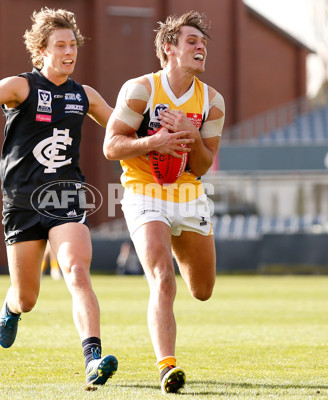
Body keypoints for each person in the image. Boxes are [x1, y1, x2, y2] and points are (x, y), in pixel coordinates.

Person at [0, 8, 118, 386]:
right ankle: (10, 307)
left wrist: (160, 129)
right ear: (41, 50)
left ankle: (93, 358)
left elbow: (121, 125)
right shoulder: (20, 87)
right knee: (27, 297)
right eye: (61, 45)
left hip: (65, 198)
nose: (69, 52)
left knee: (76, 270)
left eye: (73, 45)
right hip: (21, 203)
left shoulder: (84, 95)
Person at [103, 11, 225, 394]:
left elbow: (204, 166)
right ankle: (167, 367)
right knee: (161, 276)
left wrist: (190, 133)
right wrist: (152, 142)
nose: (201, 47)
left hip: (189, 195)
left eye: (203, 43)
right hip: (144, 191)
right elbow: (111, 146)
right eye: (192, 41)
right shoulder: (139, 89)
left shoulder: (212, 102)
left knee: (202, 290)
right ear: (169, 49)